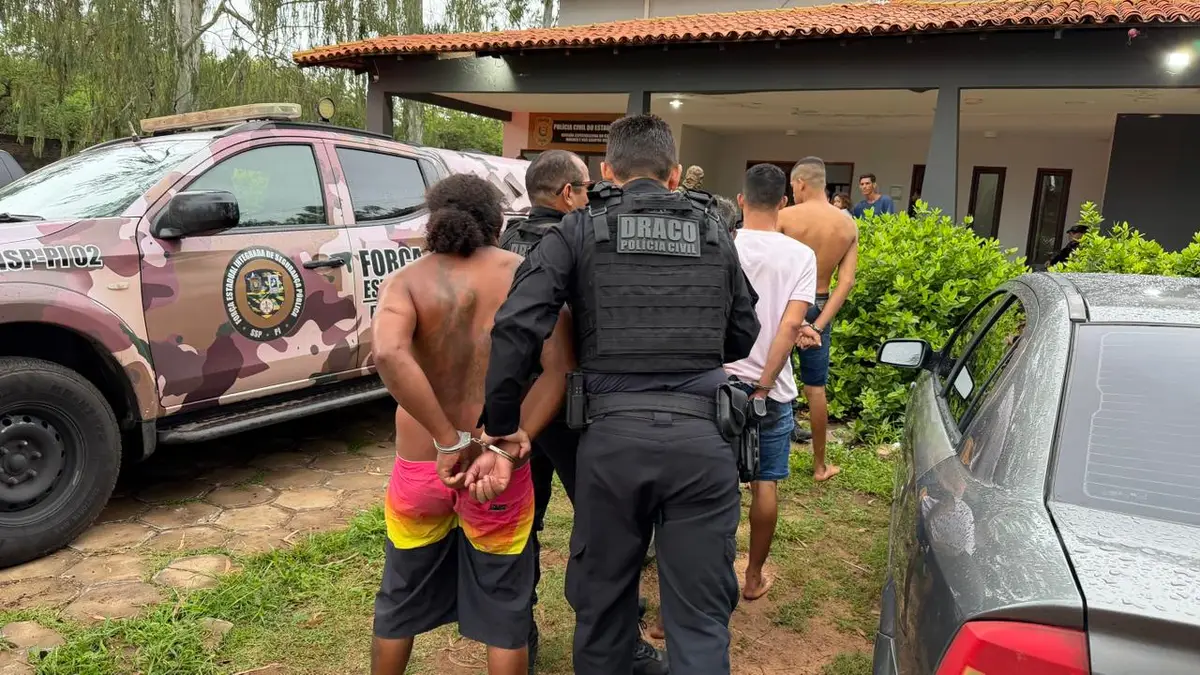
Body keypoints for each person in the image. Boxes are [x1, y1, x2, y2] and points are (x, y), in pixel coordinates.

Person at [478, 113, 761, 675]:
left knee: (603, 611)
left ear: (607, 171)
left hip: (611, 447)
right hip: (703, 442)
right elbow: (742, 333)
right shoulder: (713, 231)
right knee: (700, 622)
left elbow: (515, 326)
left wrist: (503, 423)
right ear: (675, 175)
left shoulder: (578, 229)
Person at [370, 174, 575, 675]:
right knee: (505, 608)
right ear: (496, 223)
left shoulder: (406, 281)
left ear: (435, 219)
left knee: (399, 598)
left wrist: (446, 440)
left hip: (422, 466)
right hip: (497, 469)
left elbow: (388, 352)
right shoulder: (526, 275)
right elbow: (560, 370)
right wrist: (505, 446)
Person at [497, 149, 669, 675]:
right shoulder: (583, 240)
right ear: (569, 193)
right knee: (607, 528)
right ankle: (619, 637)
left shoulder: (504, 242)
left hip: (518, 407)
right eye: (587, 187)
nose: (595, 195)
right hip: (574, 408)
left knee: (521, 525)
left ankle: (519, 633)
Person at [724, 164, 821, 601]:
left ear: (741, 200)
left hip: (719, 385)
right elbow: (790, 325)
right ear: (784, 202)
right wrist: (763, 387)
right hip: (772, 391)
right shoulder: (801, 255)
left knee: (713, 486)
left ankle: (709, 576)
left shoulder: (724, 245)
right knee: (765, 484)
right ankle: (753, 576)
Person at [779, 157, 859, 482]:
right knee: (815, 388)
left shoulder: (784, 217)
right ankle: (819, 466)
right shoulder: (847, 225)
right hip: (820, 303)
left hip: (785, 306)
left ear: (800, 183)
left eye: (792, 186)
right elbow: (847, 282)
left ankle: (763, 463)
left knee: (768, 379)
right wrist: (818, 324)